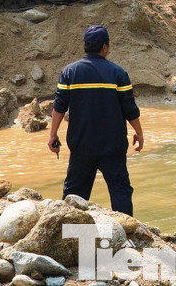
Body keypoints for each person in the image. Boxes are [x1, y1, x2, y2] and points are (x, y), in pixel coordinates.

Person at [48, 24, 144, 216]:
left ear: (84, 45)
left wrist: (52, 135)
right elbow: (129, 109)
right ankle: (124, 235)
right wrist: (139, 133)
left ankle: (73, 240)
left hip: (81, 145)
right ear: (105, 48)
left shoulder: (70, 72)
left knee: (75, 195)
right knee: (120, 192)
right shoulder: (118, 73)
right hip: (112, 146)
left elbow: (59, 106)